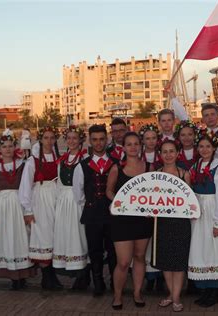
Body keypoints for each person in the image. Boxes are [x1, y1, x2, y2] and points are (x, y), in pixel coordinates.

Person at [0, 135, 35, 290]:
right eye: (4, 147)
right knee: (6, 240)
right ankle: (12, 276)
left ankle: (21, 275)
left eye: (10, 146)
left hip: (18, 206)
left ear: (14, 148)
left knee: (19, 239)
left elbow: (27, 188)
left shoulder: (23, 165)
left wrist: (28, 210)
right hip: (2, 207)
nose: (8, 149)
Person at [106, 132, 154, 310]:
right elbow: (109, 191)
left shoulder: (149, 168)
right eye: (129, 144)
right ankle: (117, 295)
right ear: (124, 147)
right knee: (124, 262)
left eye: (136, 144)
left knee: (140, 257)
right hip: (122, 221)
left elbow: (154, 194)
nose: (133, 147)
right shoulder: (117, 168)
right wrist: (118, 203)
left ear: (140, 146)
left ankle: (137, 293)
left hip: (143, 220)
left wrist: (151, 208)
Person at [188, 129, 218, 308]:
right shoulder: (196, 165)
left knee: (213, 250)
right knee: (201, 249)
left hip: (212, 211)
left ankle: (215, 291)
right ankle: (205, 289)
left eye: (208, 146)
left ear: (214, 148)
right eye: (201, 146)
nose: (204, 149)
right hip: (199, 212)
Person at [73, 124, 116, 296]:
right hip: (92, 215)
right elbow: (78, 194)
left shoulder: (116, 163)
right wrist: (92, 203)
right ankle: (98, 282)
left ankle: (115, 281)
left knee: (113, 250)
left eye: (101, 139)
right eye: (95, 140)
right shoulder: (81, 166)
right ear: (90, 141)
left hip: (112, 215)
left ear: (107, 140)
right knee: (94, 250)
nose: (98, 143)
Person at [19, 126, 61, 290]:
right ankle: (47, 277)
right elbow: (25, 186)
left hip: (56, 198)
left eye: (52, 138)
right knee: (43, 237)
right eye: (46, 138)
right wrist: (28, 210)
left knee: (54, 237)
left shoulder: (58, 157)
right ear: (41, 139)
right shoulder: (33, 160)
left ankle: (52, 275)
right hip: (40, 201)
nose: (49, 141)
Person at [154, 140, 192, 313]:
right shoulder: (154, 174)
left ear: (178, 153)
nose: (168, 155)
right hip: (161, 223)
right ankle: (171, 294)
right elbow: (150, 199)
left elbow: (189, 202)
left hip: (180, 223)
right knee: (166, 262)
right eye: (164, 152)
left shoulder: (185, 174)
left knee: (178, 261)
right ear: (160, 154)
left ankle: (176, 297)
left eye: (171, 151)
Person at [52, 125, 90, 290]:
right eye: (69, 138)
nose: (72, 141)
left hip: (78, 203)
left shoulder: (85, 158)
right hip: (64, 203)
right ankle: (73, 269)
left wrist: (82, 203)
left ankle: (83, 274)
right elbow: (59, 184)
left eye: (75, 138)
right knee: (67, 236)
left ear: (81, 139)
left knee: (80, 237)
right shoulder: (61, 160)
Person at [138, 123, 164, 291]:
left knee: (159, 240)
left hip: (160, 202)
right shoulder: (137, 157)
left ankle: (160, 276)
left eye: (154, 138)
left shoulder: (163, 156)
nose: (151, 141)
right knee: (145, 242)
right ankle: (149, 277)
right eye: (147, 138)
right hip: (142, 203)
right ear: (143, 140)